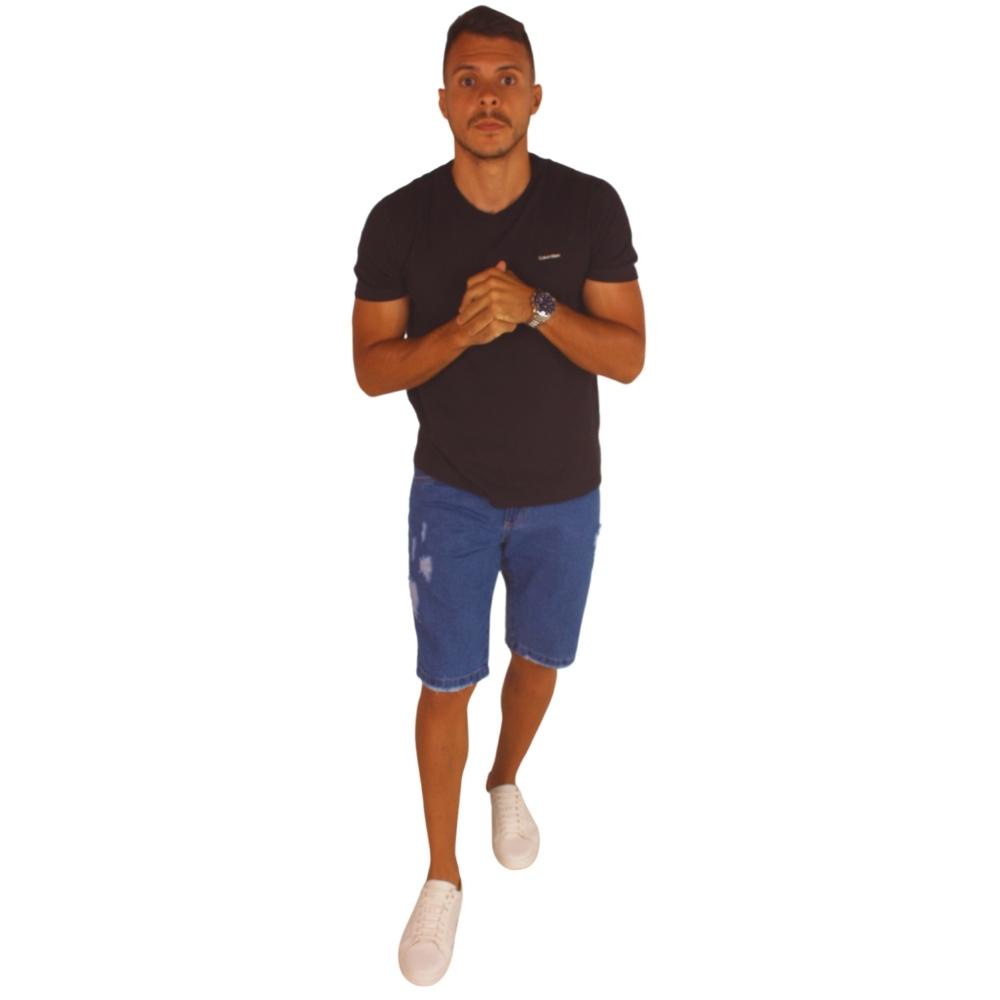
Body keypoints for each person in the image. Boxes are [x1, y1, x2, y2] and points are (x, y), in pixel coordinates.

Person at [352, 5, 644, 986]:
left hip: (565, 494)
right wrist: (458, 334)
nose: (488, 97)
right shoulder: (398, 219)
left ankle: (505, 778)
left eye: (506, 78)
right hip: (453, 495)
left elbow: (630, 355)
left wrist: (537, 306)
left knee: (540, 661)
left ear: (535, 96)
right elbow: (371, 366)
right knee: (446, 682)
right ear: (443, 99)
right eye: (470, 80)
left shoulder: (589, 206)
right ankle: (442, 874)